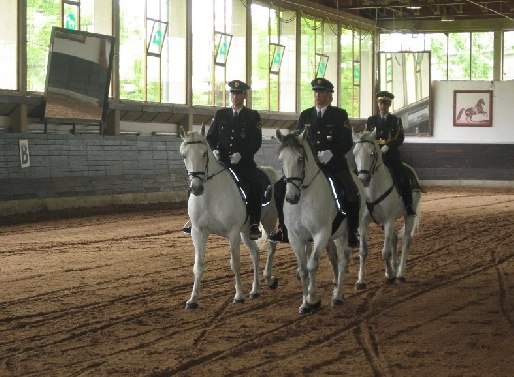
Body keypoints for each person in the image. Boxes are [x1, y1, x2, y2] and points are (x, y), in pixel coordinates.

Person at [269, 78, 361, 248]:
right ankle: (283, 228)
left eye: (322, 92)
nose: (318, 95)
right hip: (309, 166)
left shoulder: (340, 115)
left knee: (351, 191)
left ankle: (353, 230)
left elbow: (347, 141)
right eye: (316, 92)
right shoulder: (305, 115)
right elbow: (297, 140)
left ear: (329, 95)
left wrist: (332, 152)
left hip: (334, 164)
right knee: (280, 188)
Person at [182, 80, 264, 240]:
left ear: (244, 95)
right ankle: (194, 219)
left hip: (244, 164)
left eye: (238, 93)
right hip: (222, 163)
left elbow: (256, 141)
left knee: (255, 186)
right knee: (196, 182)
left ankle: (254, 223)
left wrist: (242, 155)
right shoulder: (221, 115)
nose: (235, 96)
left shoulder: (253, 116)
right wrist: (215, 150)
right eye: (232, 93)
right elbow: (211, 137)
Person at [365, 90, 416, 216]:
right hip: (374, 156)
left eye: (386, 104)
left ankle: (409, 205)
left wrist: (389, 146)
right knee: (359, 173)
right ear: (378, 105)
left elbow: (400, 137)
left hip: (390, 155)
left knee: (403, 174)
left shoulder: (395, 120)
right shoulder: (371, 120)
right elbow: (367, 137)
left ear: (389, 105)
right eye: (381, 104)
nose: (383, 107)